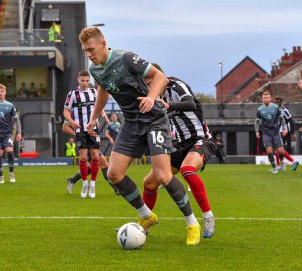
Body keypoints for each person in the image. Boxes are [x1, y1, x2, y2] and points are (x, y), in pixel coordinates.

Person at [79, 26, 200, 245]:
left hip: (154, 120)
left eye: (91, 48)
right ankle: (146, 215)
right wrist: (94, 117)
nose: (88, 54)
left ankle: (192, 223)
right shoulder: (95, 70)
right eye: (85, 50)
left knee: (163, 175)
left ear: (103, 43)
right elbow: (103, 92)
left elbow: (159, 77)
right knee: (114, 174)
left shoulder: (126, 58)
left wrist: (151, 98)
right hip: (131, 124)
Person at [142, 64, 216, 239]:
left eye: (150, 82)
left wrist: (168, 106)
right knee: (149, 182)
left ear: (160, 77)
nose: (149, 87)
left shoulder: (175, 85)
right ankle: (143, 223)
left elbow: (190, 103)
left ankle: (208, 217)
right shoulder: (153, 97)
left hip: (200, 139)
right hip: (179, 145)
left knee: (187, 170)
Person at [64, 70, 100, 199]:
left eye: (87, 81)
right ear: (78, 80)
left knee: (96, 157)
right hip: (80, 129)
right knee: (84, 157)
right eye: (82, 81)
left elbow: (99, 107)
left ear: (89, 81)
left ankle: (93, 184)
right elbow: (66, 111)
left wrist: (99, 119)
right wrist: (72, 121)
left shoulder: (94, 92)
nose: (85, 83)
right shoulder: (72, 94)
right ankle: (84, 183)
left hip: (93, 128)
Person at [62, 119, 119, 195]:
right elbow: (65, 127)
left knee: (92, 167)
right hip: (86, 143)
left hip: (93, 142)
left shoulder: (93, 112)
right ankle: (117, 189)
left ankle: (72, 180)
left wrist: (98, 140)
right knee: (104, 164)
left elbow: (96, 130)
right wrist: (79, 135)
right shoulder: (74, 111)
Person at [254, 90, 288, 174]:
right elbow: (257, 121)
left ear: (270, 99)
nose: (265, 99)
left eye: (267, 98)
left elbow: (282, 118)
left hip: (276, 132)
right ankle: (275, 167)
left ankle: (282, 160)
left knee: (280, 151)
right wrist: (257, 131)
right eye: (264, 98)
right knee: (269, 150)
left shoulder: (276, 107)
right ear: (262, 99)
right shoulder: (260, 110)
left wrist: (285, 128)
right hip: (266, 133)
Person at [274, 97, 300, 171]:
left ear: (281, 103)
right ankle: (280, 166)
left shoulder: (284, 110)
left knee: (279, 149)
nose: (277, 103)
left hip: (283, 132)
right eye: (275, 102)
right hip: (277, 131)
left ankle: (280, 165)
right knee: (278, 149)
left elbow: (291, 121)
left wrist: (291, 133)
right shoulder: (274, 110)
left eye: (278, 102)